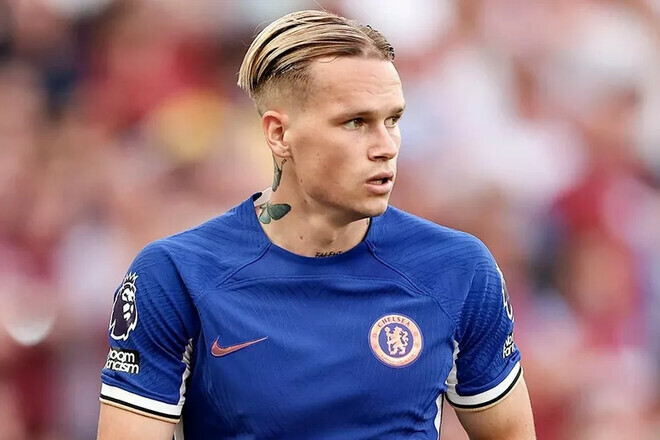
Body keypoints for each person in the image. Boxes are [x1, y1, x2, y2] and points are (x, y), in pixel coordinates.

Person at [96, 10, 536, 440]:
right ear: (278, 134)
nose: (385, 146)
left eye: (393, 120)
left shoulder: (457, 269)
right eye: (356, 122)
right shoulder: (175, 276)